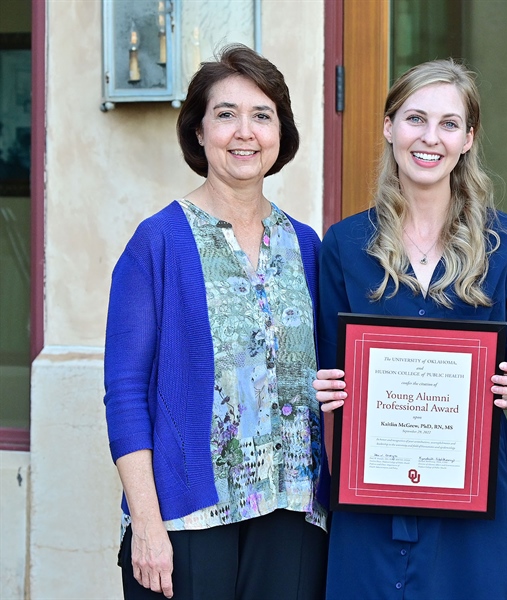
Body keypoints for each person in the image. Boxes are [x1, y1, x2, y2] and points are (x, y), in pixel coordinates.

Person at [313, 59, 507, 599]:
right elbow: (329, 370)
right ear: (389, 126)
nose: (430, 138)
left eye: (449, 124)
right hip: (370, 496)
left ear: (468, 138)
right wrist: (325, 387)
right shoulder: (345, 246)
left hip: (471, 503)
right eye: (415, 118)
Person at [104, 44, 328, 599]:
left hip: (292, 507)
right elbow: (125, 391)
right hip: (187, 520)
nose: (244, 132)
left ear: (281, 134)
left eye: (262, 115)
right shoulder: (157, 242)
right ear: (199, 133)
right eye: (225, 114)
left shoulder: (306, 247)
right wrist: (148, 526)